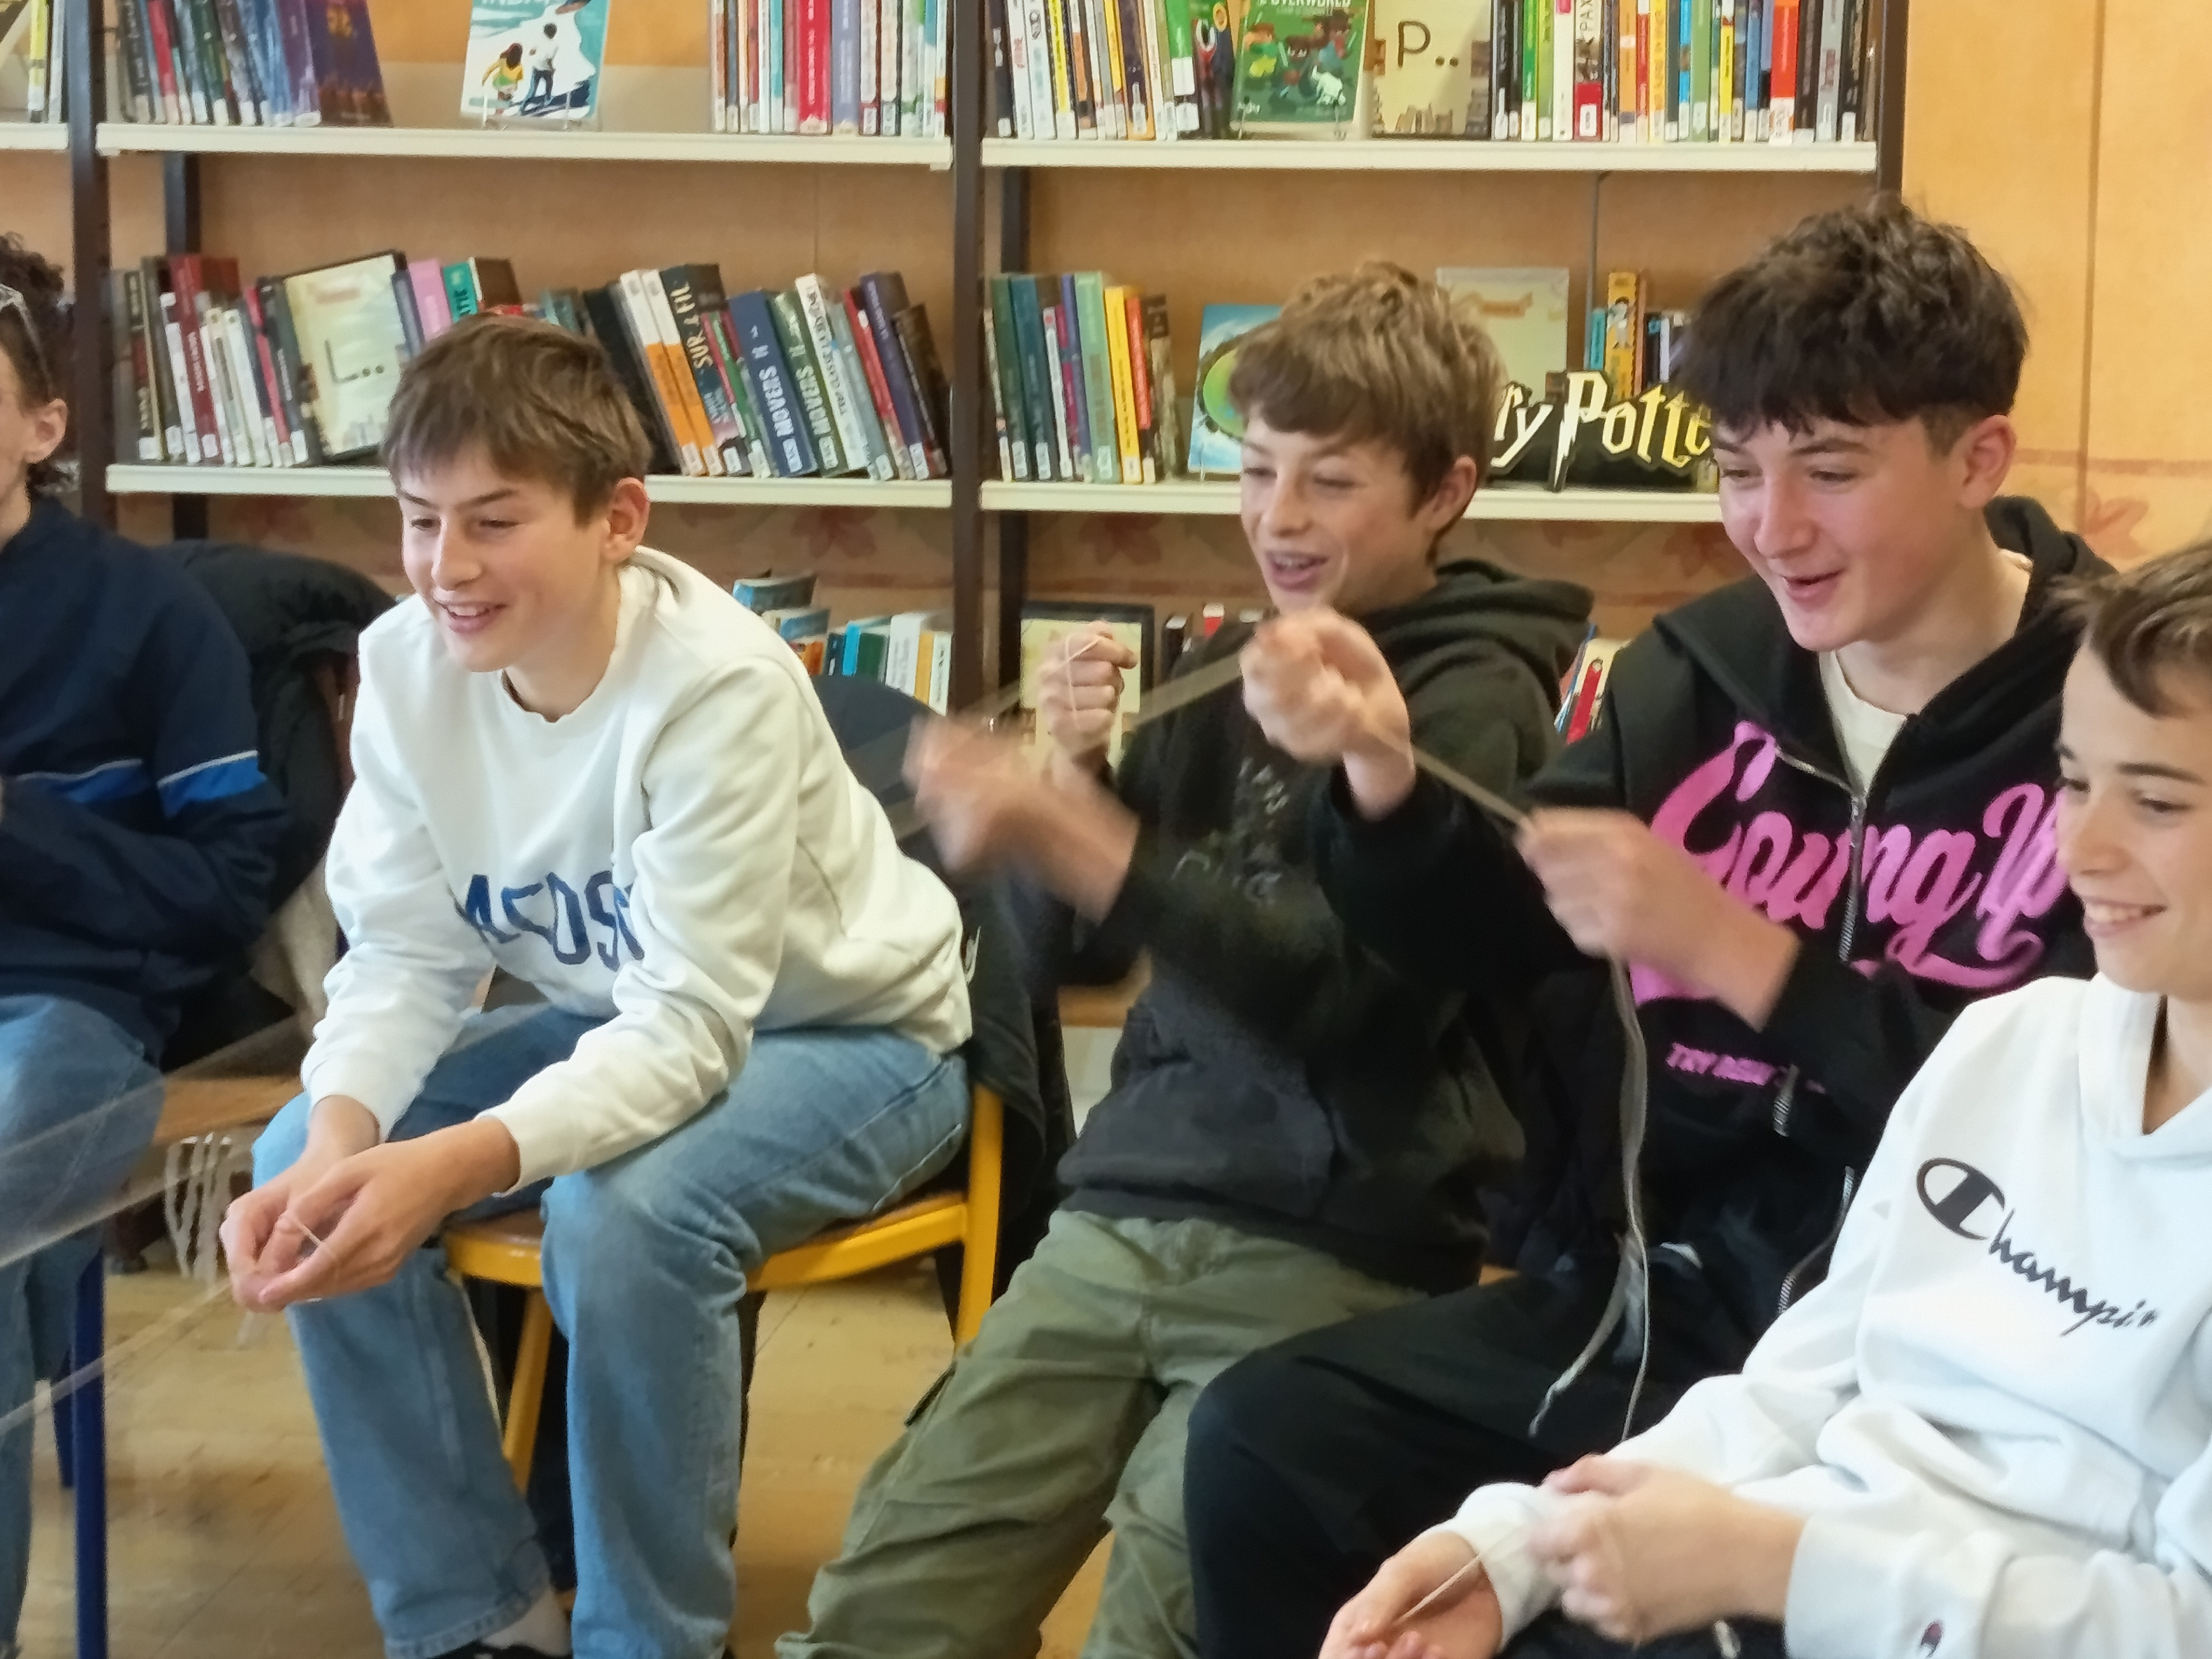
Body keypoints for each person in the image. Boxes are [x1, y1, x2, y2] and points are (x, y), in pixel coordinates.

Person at [1187, 196, 2107, 1659]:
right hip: (1668, 1297)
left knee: (1614, 1621)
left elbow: (2084, 1131)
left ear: (1977, 458)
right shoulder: (1701, 670)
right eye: (1738, 472)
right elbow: (1497, 933)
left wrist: (1747, 956)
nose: (1772, 529)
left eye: (1831, 471)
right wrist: (1379, 771)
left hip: (1959, 1364)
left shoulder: (2115, 713)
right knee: (1263, 1445)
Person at [777, 263, 1592, 1659]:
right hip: (1124, 1209)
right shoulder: (1230, 669)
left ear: (1445, 493)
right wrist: (1079, 777)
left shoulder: (1474, 703)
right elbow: (1071, 958)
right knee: (884, 1610)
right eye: (1258, 471)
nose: (1279, 517)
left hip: (1337, 1246)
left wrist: (1078, 833)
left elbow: (1340, 1000)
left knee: (1165, 1627)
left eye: (1331, 481)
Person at [219, 315, 974, 1659]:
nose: (448, 567)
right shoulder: (402, 667)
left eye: (495, 522)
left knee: (627, 1218)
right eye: (419, 521)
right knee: (300, 1164)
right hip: (625, 1014)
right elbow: (404, 956)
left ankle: (649, 1637)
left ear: (619, 518)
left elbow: (692, 1029)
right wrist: (343, 1139)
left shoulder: (717, 687)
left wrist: (450, 1164)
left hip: (857, 1036)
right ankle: (478, 1622)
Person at [1321, 540, 2212, 1659]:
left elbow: (2184, 1623)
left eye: (2158, 802)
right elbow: (1799, 1389)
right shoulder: (2014, 1041)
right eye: (2074, 781)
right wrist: (1512, 1551)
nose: (2081, 845)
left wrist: (1779, 1566)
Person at [0, 235, 287, 1659]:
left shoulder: (144, 612)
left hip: (73, 1013)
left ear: (43, 428)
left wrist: (18, 829)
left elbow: (228, 886)